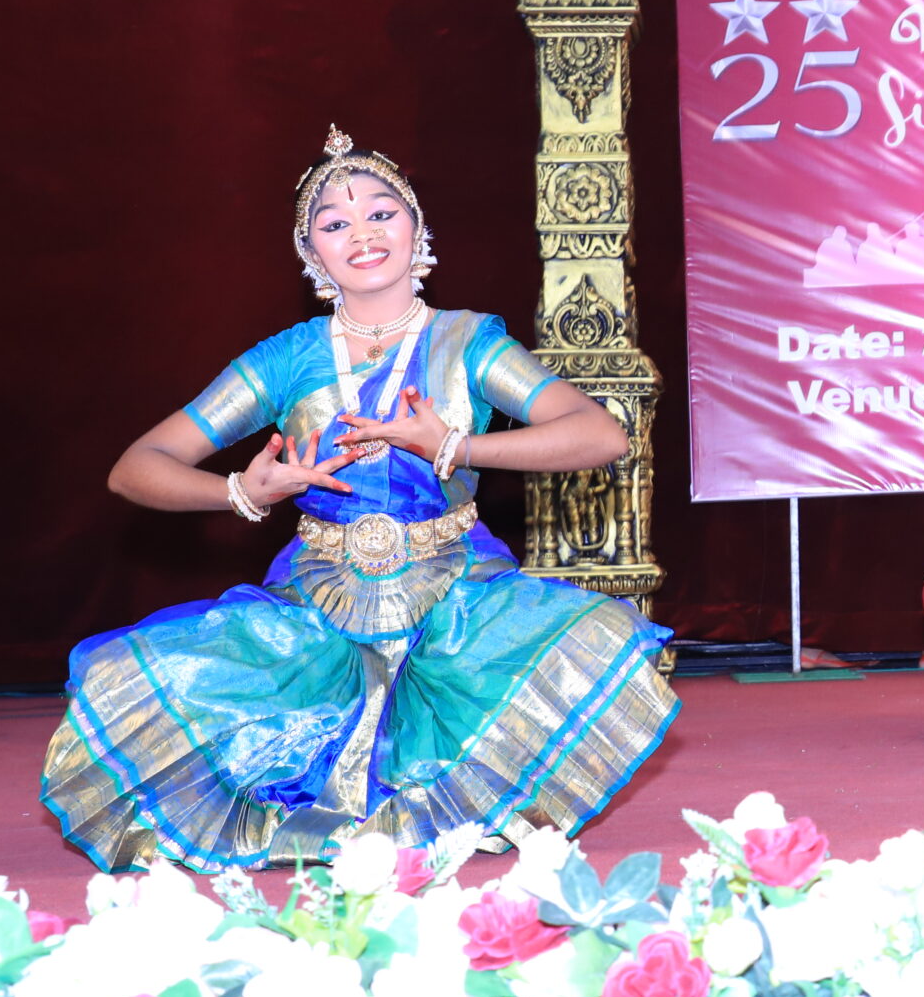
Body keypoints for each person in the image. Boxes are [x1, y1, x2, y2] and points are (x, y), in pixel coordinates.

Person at [41, 128, 679, 870]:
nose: (363, 234)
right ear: (311, 251)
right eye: (335, 223)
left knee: (597, 640)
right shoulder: (286, 358)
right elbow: (136, 468)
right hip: (319, 604)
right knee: (129, 682)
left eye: (381, 212)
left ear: (416, 228)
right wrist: (241, 490)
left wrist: (455, 446)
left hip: (456, 598)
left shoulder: (467, 343)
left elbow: (600, 434)